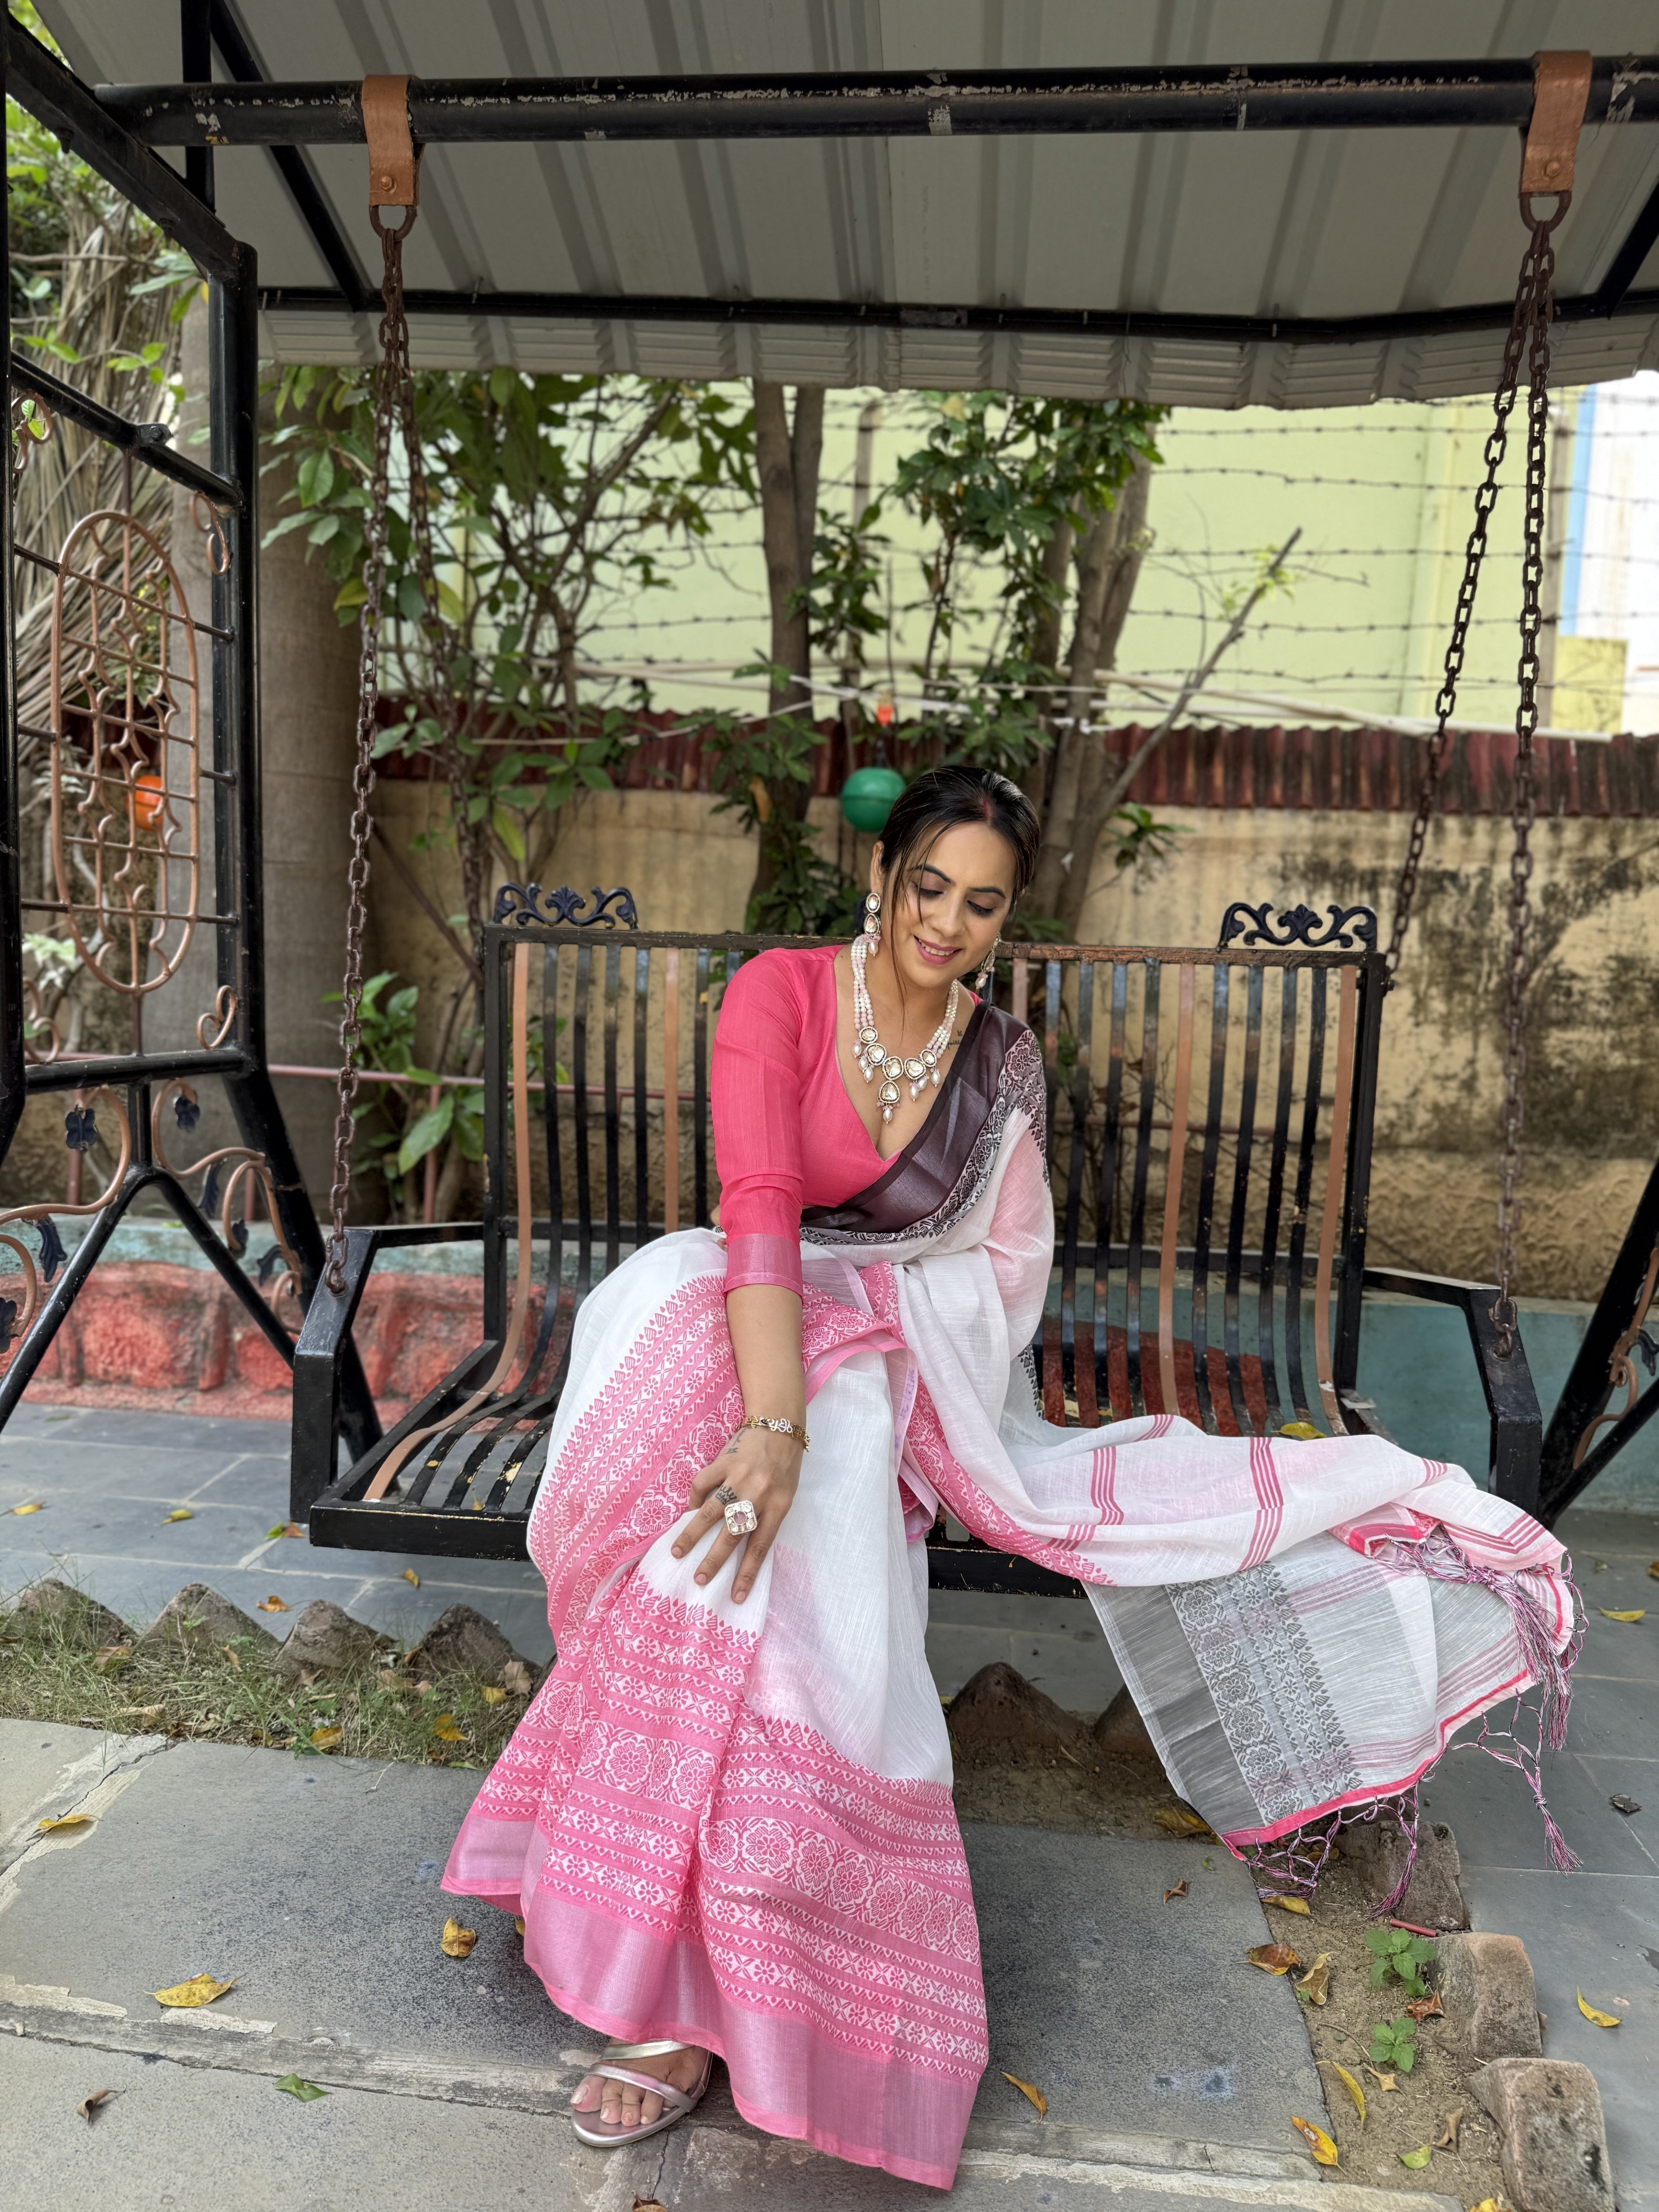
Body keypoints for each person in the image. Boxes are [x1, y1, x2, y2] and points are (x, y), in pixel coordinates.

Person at [444, 765, 1575, 2189]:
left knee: (833, 1497)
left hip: (908, 1346)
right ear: (883, 878)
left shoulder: (997, 1068)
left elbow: (997, 1277)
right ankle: (668, 1966)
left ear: (1002, 917)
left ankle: (753, 1962)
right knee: (729, 1498)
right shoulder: (781, 998)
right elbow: (756, 1214)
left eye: (981, 905)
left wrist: (853, 1388)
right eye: (929, 889)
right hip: (744, 1301)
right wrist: (774, 1423)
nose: (948, 924)